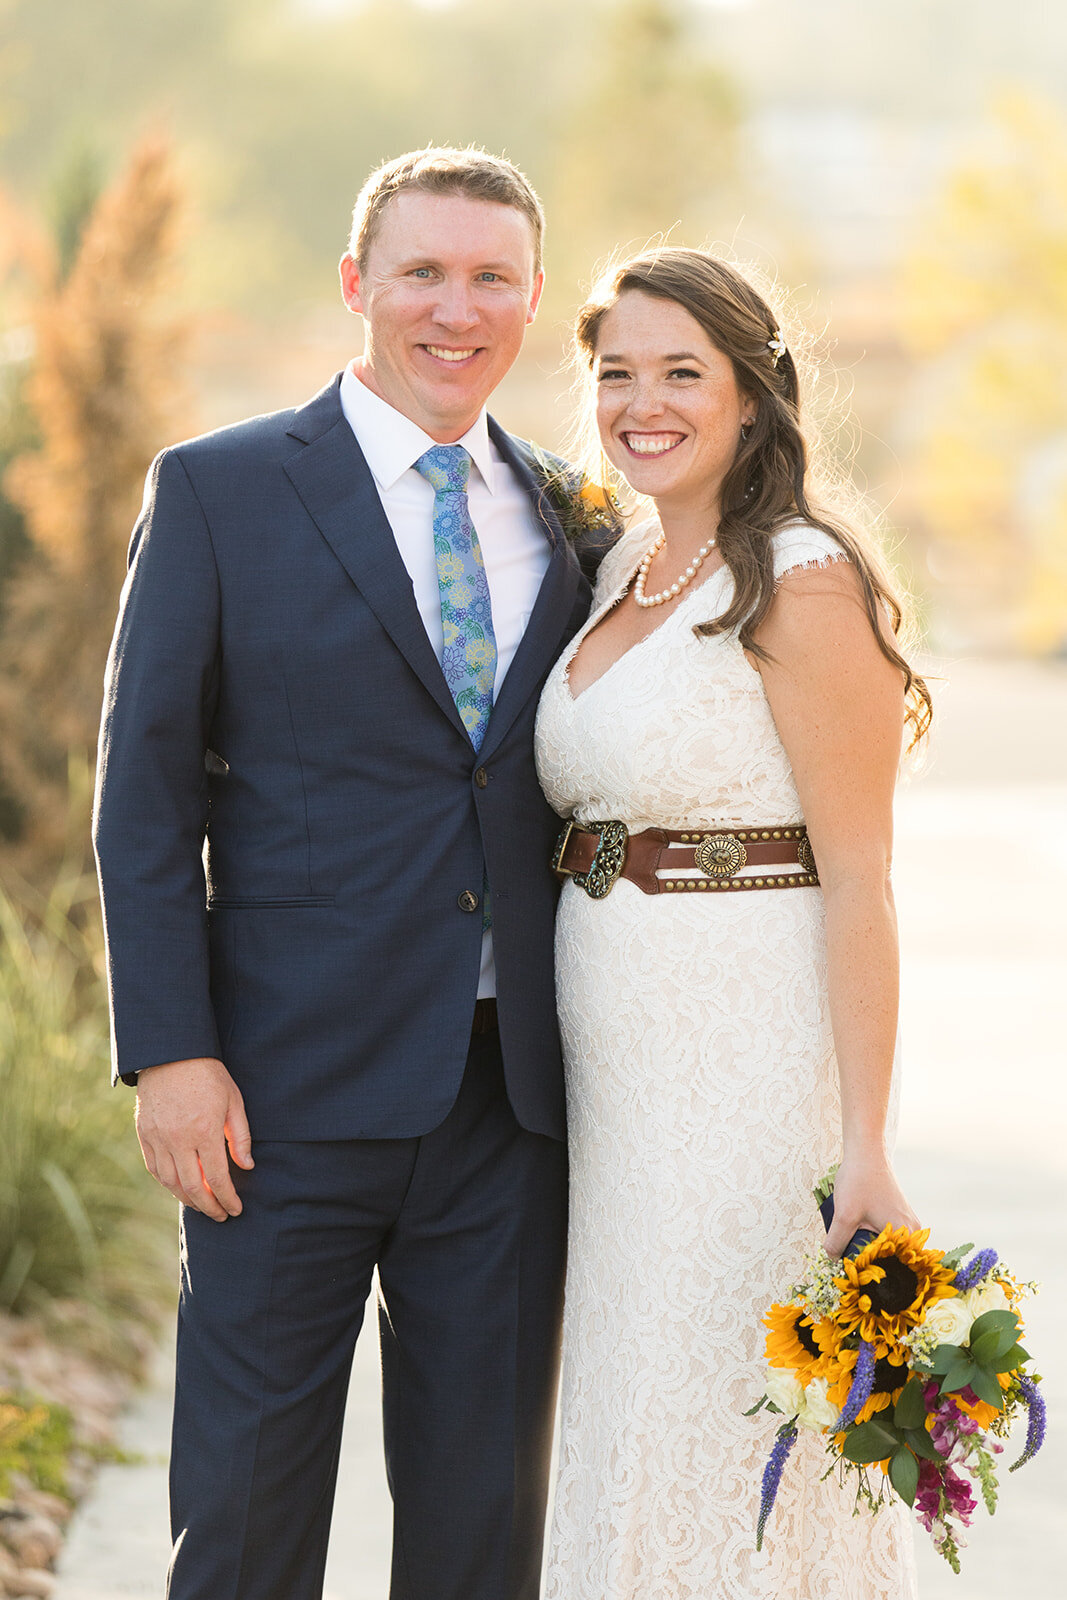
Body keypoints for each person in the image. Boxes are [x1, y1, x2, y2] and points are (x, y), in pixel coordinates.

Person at [92, 146, 608, 1600]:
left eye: (491, 277)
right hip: (276, 1098)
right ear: (356, 286)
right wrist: (172, 1055)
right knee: (245, 1520)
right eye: (425, 273)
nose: (458, 309)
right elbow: (142, 799)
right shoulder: (221, 490)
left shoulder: (573, 519)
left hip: (510, 1105)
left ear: (531, 298)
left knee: (476, 1532)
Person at [534, 249, 933, 1599]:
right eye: (616, 374)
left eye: (681, 374)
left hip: (745, 1069)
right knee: (630, 1390)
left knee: (719, 1405)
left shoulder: (801, 580)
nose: (643, 403)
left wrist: (865, 1147)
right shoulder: (619, 569)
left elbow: (862, 879)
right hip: (611, 1072)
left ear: (753, 401)